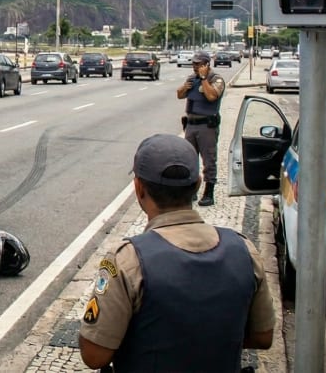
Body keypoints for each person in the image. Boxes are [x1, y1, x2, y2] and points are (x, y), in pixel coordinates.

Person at [78, 134, 274, 371]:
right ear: (199, 184)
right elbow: (263, 336)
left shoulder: (128, 261)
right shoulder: (244, 249)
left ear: (138, 188)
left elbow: (94, 355)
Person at [176, 50, 225, 206]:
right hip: (191, 124)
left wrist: (204, 79)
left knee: (209, 160)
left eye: (198, 64)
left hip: (207, 125)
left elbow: (211, 96)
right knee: (189, 159)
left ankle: (209, 193)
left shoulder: (215, 79)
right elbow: (180, 95)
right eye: (194, 64)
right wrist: (185, 87)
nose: (194, 67)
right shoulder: (192, 79)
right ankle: (192, 191)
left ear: (206, 64)